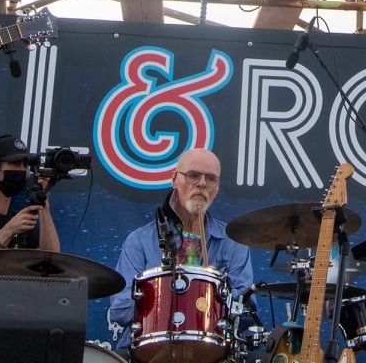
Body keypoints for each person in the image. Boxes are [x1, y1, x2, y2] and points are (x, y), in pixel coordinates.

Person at [107, 147, 255, 353]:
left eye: (211, 178)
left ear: (217, 188)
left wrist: (219, 297)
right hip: (149, 351)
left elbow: (247, 310)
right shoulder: (139, 241)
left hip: (209, 350)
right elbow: (119, 309)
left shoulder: (232, 242)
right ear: (174, 180)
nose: (202, 183)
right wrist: (169, 298)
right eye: (193, 175)